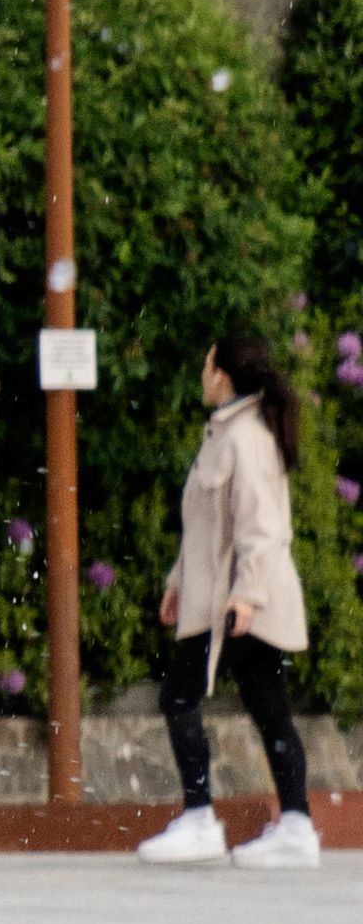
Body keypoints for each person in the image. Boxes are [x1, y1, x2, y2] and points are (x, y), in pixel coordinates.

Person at [145, 334, 319, 864]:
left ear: (222, 374)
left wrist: (246, 598)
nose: (201, 372)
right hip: (218, 599)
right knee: (266, 707)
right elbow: (203, 529)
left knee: (181, 696)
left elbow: (263, 529)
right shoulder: (224, 433)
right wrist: (178, 581)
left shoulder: (245, 438)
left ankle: (204, 818)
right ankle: (293, 824)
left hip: (241, 603)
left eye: (206, 362)